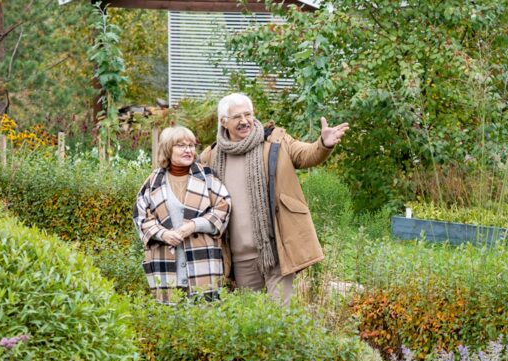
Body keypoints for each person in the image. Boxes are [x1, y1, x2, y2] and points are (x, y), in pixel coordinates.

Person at [199, 92, 349, 305]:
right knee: (250, 322)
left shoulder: (275, 142)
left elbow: (305, 155)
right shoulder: (212, 156)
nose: (244, 121)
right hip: (240, 257)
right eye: (237, 117)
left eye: (248, 115)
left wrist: (323, 144)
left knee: (281, 316)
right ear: (223, 122)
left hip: (275, 249)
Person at [133, 125, 231, 303]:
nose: (189, 150)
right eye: (181, 145)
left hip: (203, 263)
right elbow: (141, 217)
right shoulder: (154, 181)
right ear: (167, 149)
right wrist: (163, 234)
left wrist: (194, 225)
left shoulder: (206, 177)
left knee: (205, 318)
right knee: (171, 323)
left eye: (191, 145)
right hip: (166, 263)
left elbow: (223, 208)